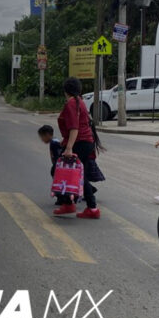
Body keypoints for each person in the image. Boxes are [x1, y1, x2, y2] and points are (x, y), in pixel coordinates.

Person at [54, 77, 103, 219]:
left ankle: (73, 204)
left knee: (65, 172)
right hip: (85, 142)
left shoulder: (71, 103)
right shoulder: (79, 101)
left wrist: (69, 148)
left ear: (65, 90)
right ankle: (86, 207)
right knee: (80, 175)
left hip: (79, 143)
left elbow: (74, 128)